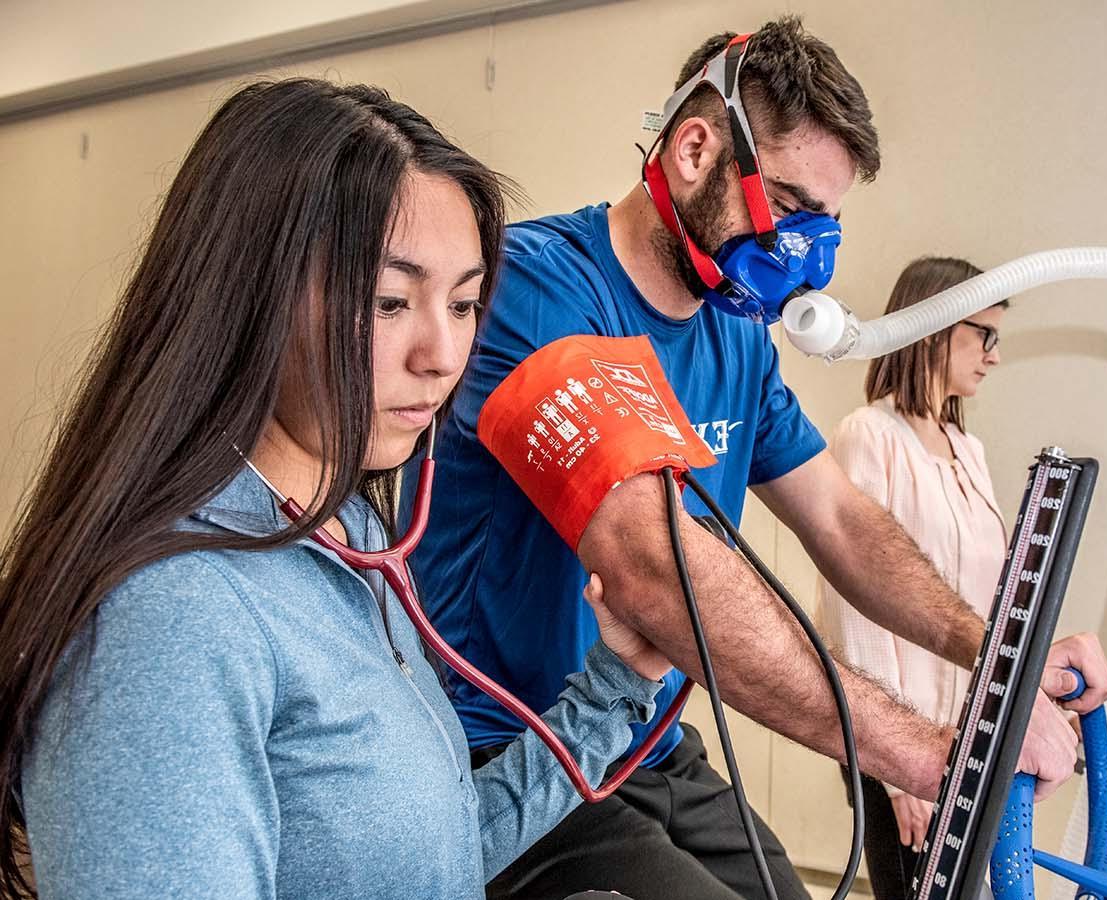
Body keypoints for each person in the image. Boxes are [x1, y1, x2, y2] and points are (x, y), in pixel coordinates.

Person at [405, 17, 1107, 900]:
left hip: (650, 741)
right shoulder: (541, 291)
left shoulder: (735, 339)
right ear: (695, 150)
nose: (812, 251)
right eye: (794, 206)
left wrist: (997, 650)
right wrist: (939, 757)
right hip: (515, 752)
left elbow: (842, 521)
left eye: (830, 220)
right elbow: (661, 575)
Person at [0, 79, 670, 900]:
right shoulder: (171, 620)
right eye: (391, 301)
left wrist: (616, 688)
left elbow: (429, 858)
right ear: (249, 294)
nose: (441, 353)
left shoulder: (349, 528)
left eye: (463, 305)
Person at [816, 257, 1107, 900]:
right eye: (983, 334)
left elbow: (992, 612)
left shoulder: (968, 450)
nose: (994, 356)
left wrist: (1071, 714)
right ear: (933, 328)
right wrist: (902, 773)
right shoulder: (870, 435)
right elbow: (857, 615)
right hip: (903, 747)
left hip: (975, 744)